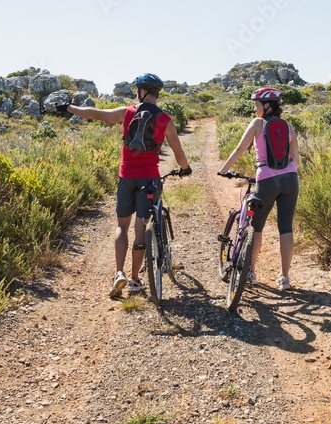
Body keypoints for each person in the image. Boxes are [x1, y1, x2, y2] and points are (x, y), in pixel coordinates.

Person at [59, 73, 192, 298]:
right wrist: (186, 168)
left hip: (126, 177)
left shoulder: (128, 112)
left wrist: (69, 108)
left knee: (122, 226)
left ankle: (118, 272)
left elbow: (95, 114)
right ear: (156, 93)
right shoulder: (165, 120)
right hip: (149, 178)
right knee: (141, 227)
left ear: (142, 92)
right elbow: (179, 153)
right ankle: (135, 280)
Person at [218, 87, 300, 290]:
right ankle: (285, 278)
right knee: (286, 227)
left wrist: (224, 169)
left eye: (256, 105)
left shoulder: (257, 124)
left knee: (256, 227)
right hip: (290, 178)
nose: (255, 109)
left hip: (267, 179)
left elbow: (239, 148)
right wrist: (286, 173)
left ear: (266, 105)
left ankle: (250, 271)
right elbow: (296, 158)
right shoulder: (288, 127)